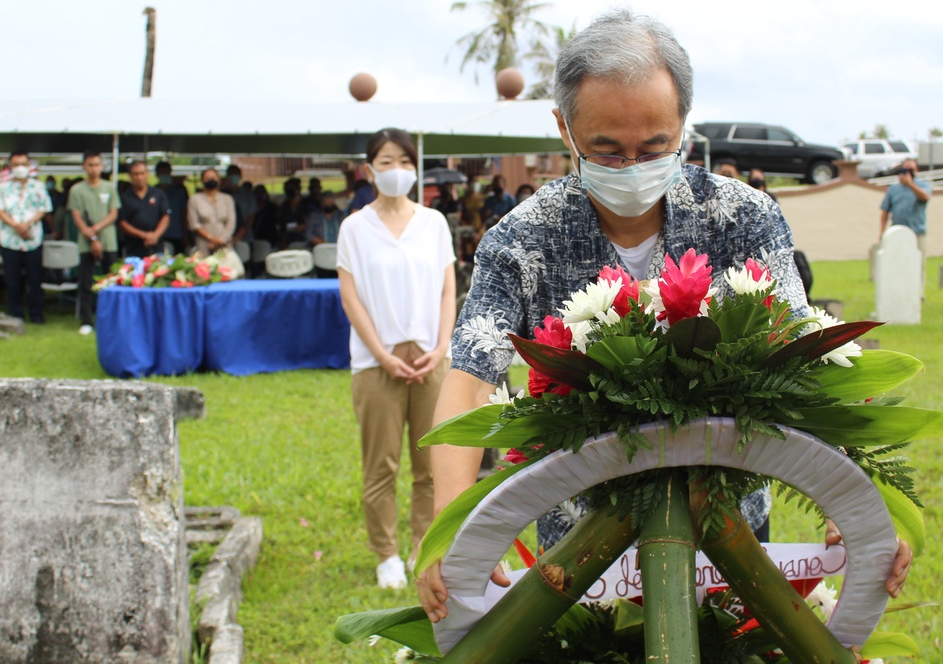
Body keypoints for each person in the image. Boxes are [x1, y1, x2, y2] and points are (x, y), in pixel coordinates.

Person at [418, 8, 912, 623]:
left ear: (684, 123)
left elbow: (806, 361)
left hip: (729, 551)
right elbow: (468, 377)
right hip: (577, 560)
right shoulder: (524, 239)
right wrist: (452, 522)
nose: (632, 168)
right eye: (606, 149)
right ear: (563, 128)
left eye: (655, 147)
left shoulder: (742, 217)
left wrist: (857, 504)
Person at [337, 127, 457, 590]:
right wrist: (383, 355)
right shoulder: (355, 227)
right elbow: (351, 298)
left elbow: (448, 288)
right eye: (386, 162)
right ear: (369, 170)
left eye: (404, 162)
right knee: (381, 464)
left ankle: (421, 546)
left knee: (430, 464)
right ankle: (385, 552)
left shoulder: (433, 223)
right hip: (376, 362)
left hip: (430, 357)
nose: (396, 171)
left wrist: (441, 346)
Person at [0, 151, 52, 323]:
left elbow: (44, 208)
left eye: (23, 164)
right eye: (16, 164)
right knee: (13, 280)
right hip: (10, 240)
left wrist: (28, 224)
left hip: (33, 239)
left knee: (35, 279)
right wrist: (16, 225)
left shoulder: (38, 186)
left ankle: (36, 314)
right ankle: (15, 313)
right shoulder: (2, 188)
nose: (20, 168)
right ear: (10, 166)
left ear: (29, 165)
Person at [68, 150, 120, 335]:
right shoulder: (77, 190)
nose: (94, 169)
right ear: (84, 166)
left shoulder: (109, 187)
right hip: (85, 241)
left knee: (111, 280)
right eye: (90, 165)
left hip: (109, 241)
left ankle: (111, 318)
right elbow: (77, 216)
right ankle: (86, 320)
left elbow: (113, 214)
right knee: (86, 281)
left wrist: (96, 229)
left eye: (97, 165)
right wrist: (90, 236)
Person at [880, 159, 931, 295]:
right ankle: (899, 291)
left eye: (911, 170)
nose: (908, 173)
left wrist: (910, 185)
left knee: (918, 265)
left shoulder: (923, 185)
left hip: (917, 232)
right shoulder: (893, 189)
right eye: (905, 170)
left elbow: (925, 197)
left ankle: (918, 294)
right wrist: (882, 232)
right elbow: (885, 211)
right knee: (897, 264)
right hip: (898, 233)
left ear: (916, 171)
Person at [119, 160, 171, 258]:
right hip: (133, 250)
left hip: (156, 248)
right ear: (130, 176)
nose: (139, 177)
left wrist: (155, 235)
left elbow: (165, 217)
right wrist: (144, 235)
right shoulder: (125, 197)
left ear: (147, 174)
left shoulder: (158, 194)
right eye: (136, 174)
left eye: (142, 173)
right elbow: (122, 223)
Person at [187, 168, 236, 255]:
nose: (211, 180)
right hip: (204, 244)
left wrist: (221, 239)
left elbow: (231, 222)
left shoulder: (227, 198)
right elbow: (194, 224)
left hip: (224, 244)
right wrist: (211, 238)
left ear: (219, 179)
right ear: (202, 180)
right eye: (207, 177)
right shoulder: (194, 199)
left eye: (213, 177)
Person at [155, 161, 189, 253]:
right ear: (157, 174)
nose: (164, 175)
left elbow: (184, 213)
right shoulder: (153, 192)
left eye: (166, 172)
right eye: (162, 173)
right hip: (158, 235)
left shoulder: (179, 191)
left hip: (177, 234)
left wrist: (185, 235)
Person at [278, 177, 308, 247]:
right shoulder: (284, 206)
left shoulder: (307, 204)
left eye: (291, 189)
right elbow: (282, 227)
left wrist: (304, 226)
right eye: (286, 189)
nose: (288, 191)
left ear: (298, 189)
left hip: (305, 241)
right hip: (288, 242)